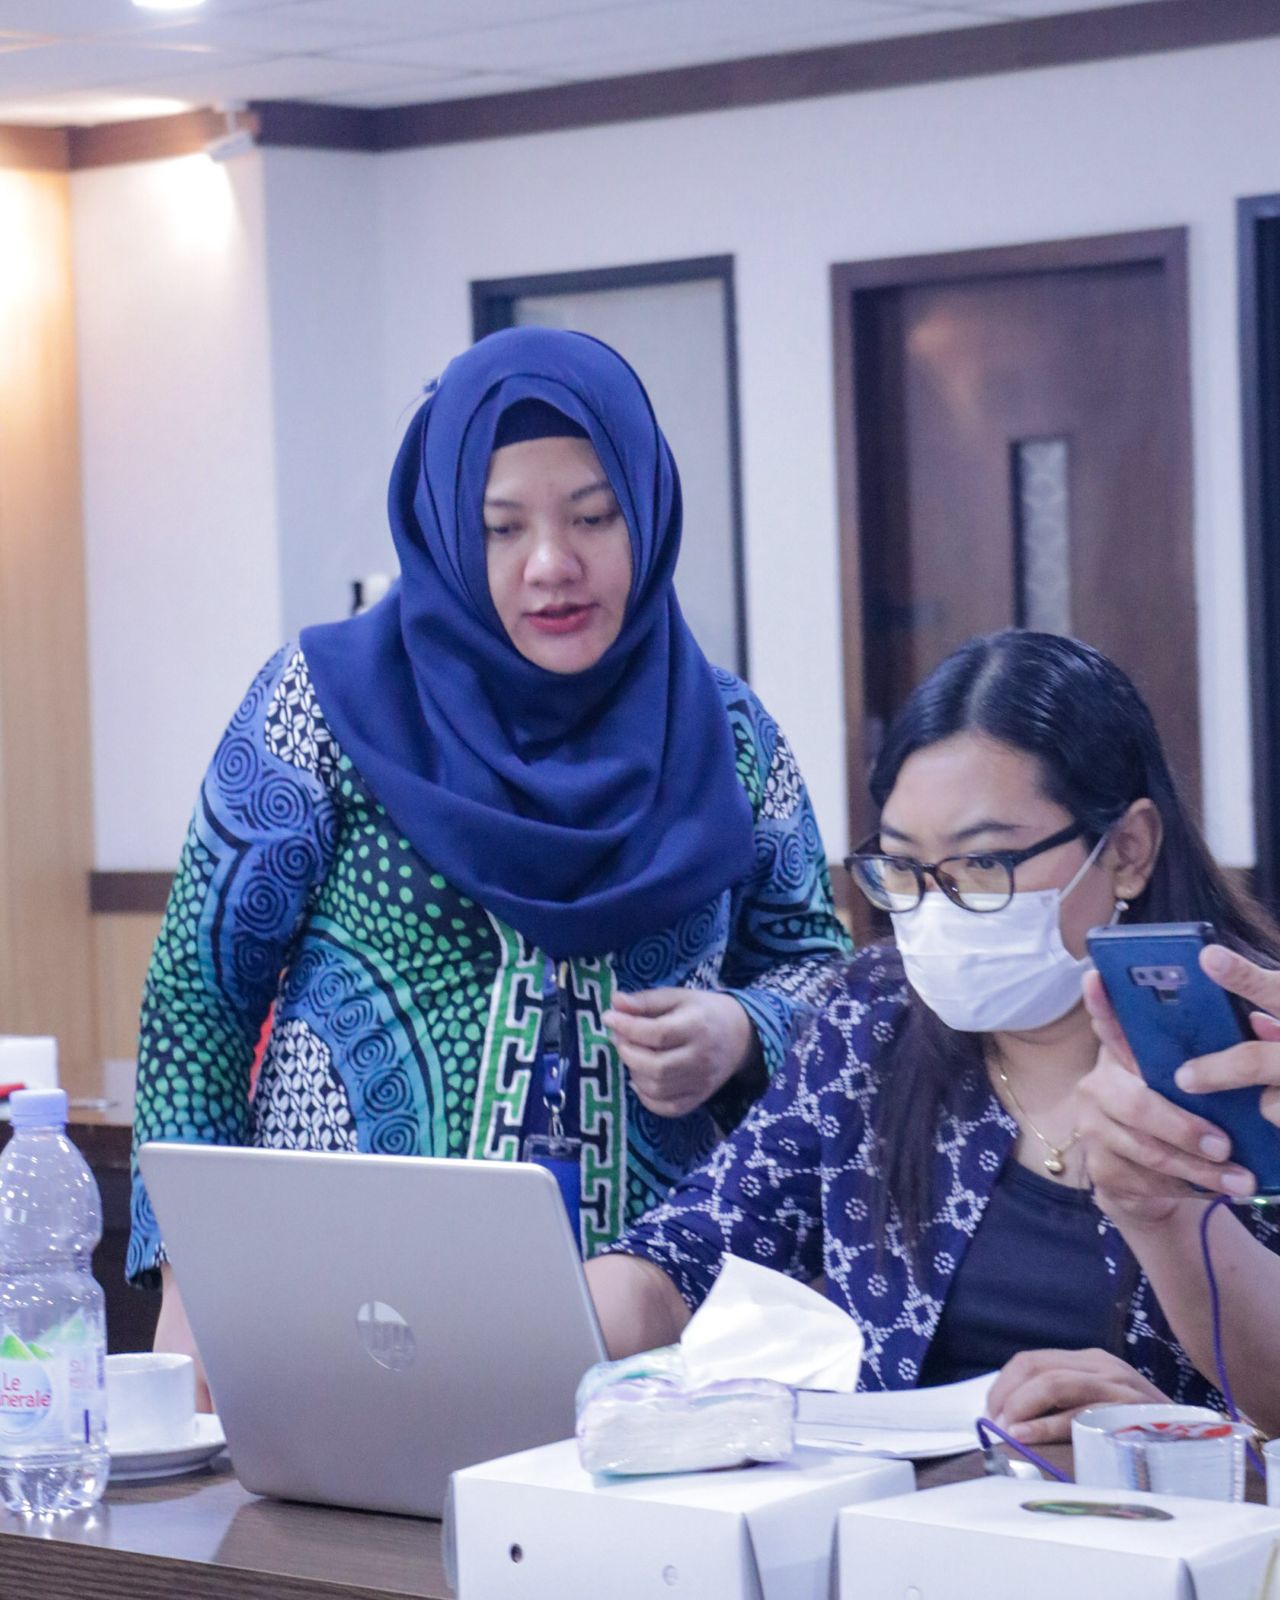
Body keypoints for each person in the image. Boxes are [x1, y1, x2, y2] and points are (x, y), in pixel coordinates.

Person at [130, 328, 850, 1389]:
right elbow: (198, 1003)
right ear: (442, 531)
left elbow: (824, 977)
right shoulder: (322, 706)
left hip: (650, 1328)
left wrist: (743, 1031)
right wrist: (191, 1288)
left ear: (647, 513)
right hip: (343, 1304)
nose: (551, 564)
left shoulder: (726, 735)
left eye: (593, 517)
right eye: (500, 527)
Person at [587, 629, 1280, 1440]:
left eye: (983, 866)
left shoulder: (1250, 1047)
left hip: (1168, 1512)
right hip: (904, 1508)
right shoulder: (870, 1020)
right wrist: (530, 1330)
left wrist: (1178, 1436)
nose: (936, 910)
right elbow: (688, 1255)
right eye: (903, 869)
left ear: (1126, 851)